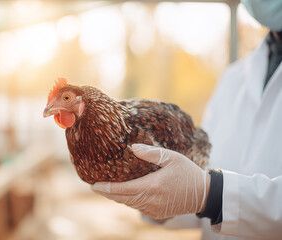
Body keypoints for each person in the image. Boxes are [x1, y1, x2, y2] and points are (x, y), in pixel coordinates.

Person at [91, 0, 282, 239]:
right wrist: (158, 199)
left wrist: (207, 194)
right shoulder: (233, 79)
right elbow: (201, 182)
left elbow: (208, 193)